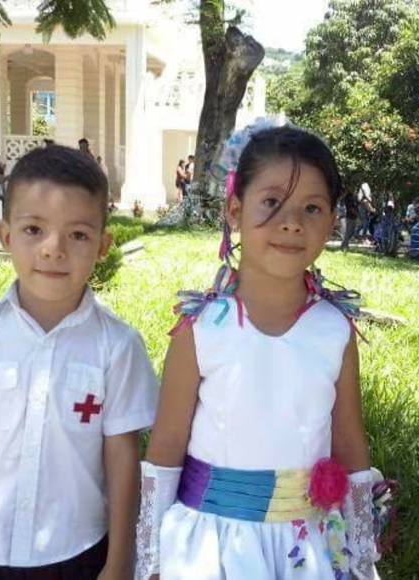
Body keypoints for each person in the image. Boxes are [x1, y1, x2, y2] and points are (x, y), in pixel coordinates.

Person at [136, 122, 382, 580]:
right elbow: (166, 447)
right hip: (212, 547)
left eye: (312, 208)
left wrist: (361, 553)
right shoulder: (201, 328)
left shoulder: (334, 331)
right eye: (271, 202)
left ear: (331, 222)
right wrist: (150, 559)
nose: (292, 222)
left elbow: (349, 443)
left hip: (306, 550)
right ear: (235, 210)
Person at [0, 145, 159, 580]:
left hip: (79, 553)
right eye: (33, 230)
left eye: (77, 235)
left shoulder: (117, 346)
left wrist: (120, 560)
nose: (53, 249)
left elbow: (123, 455)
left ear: (103, 246)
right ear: (6, 236)